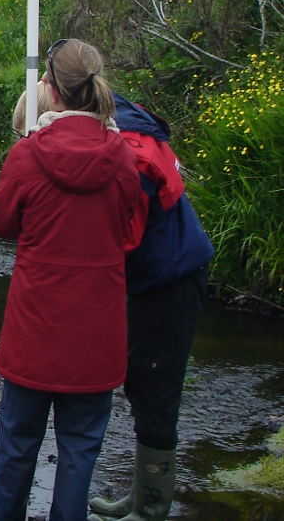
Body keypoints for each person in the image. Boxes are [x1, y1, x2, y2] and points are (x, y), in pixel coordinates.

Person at [0, 38, 142, 521]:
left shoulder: (27, 156)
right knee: (79, 454)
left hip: (35, 329)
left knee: (17, 448)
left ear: (49, 90)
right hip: (97, 334)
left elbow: (3, 224)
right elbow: (130, 229)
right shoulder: (124, 158)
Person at [86, 97, 214, 521]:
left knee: (155, 386)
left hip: (171, 277)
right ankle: (141, 495)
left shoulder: (130, 154)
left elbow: (125, 236)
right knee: (141, 380)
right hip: (160, 273)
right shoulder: (123, 127)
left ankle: (153, 506)